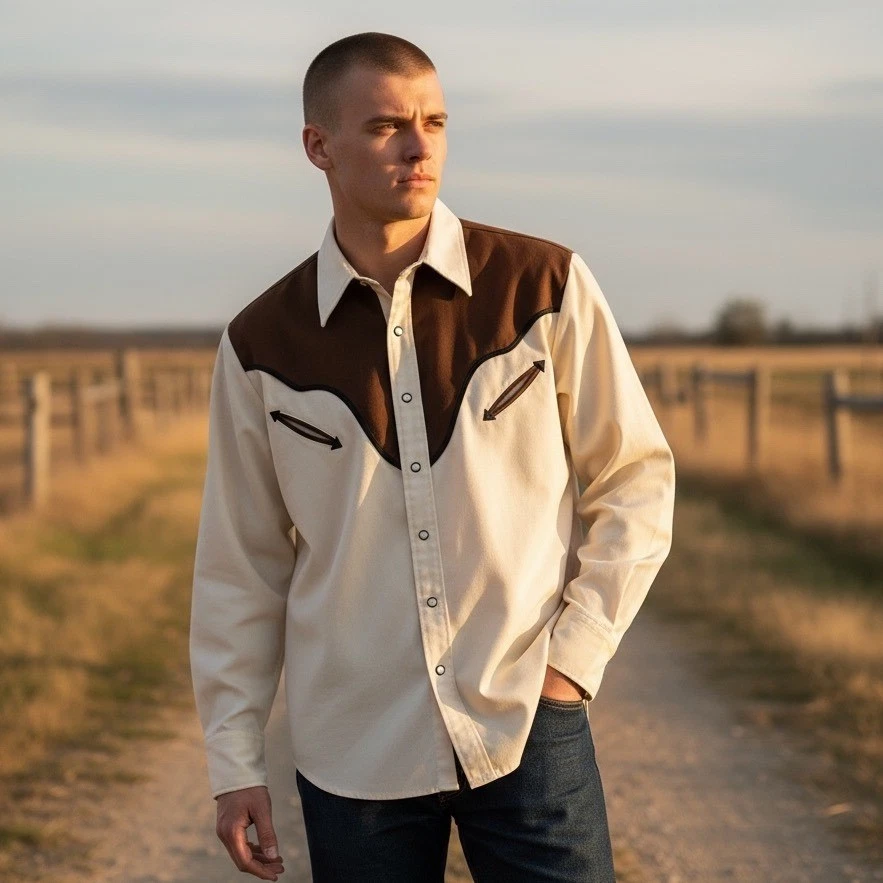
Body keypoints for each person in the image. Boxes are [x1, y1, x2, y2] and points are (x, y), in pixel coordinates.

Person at [189, 30, 676, 883]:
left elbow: (633, 477)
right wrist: (236, 765)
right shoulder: (262, 343)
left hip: (529, 716)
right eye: (385, 127)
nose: (419, 148)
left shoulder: (544, 286)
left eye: (435, 121)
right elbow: (241, 567)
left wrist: (572, 662)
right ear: (318, 146)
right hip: (352, 755)